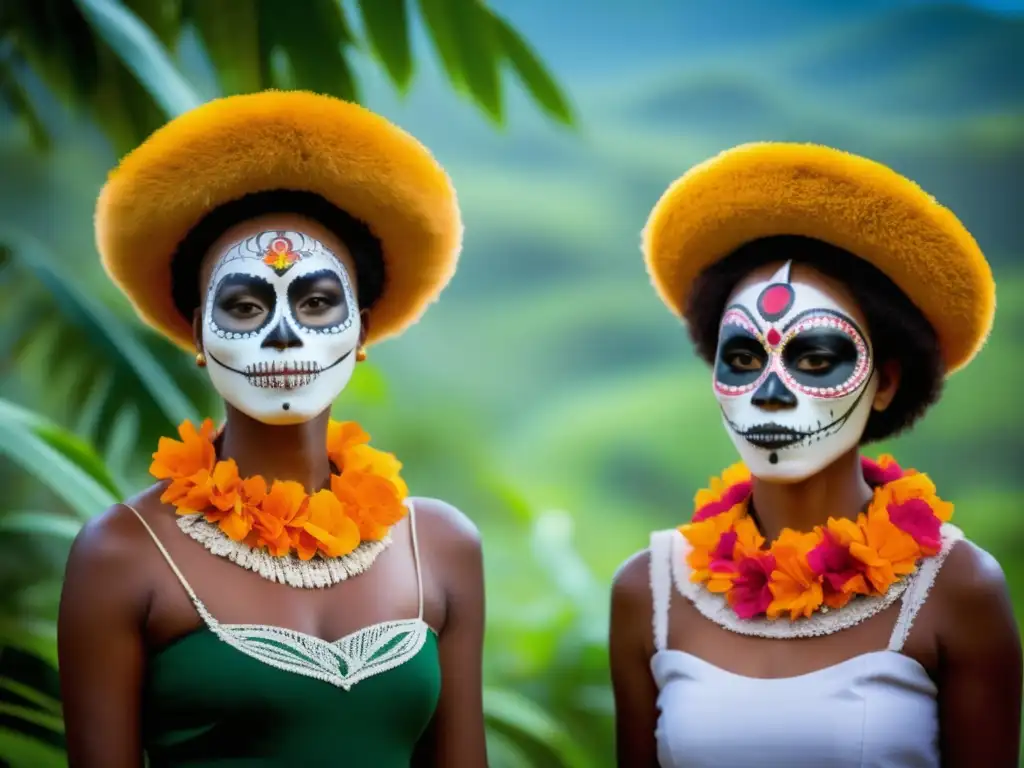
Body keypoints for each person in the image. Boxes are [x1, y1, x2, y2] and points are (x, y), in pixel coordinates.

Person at [58, 91, 486, 767]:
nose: (284, 337)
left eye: (317, 303)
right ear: (197, 331)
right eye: (246, 304)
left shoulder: (438, 545)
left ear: (363, 330)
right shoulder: (122, 555)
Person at [609, 142, 1022, 767]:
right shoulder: (649, 591)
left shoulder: (957, 589)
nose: (770, 395)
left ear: (885, 382)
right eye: (745, 360)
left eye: (815, 360)